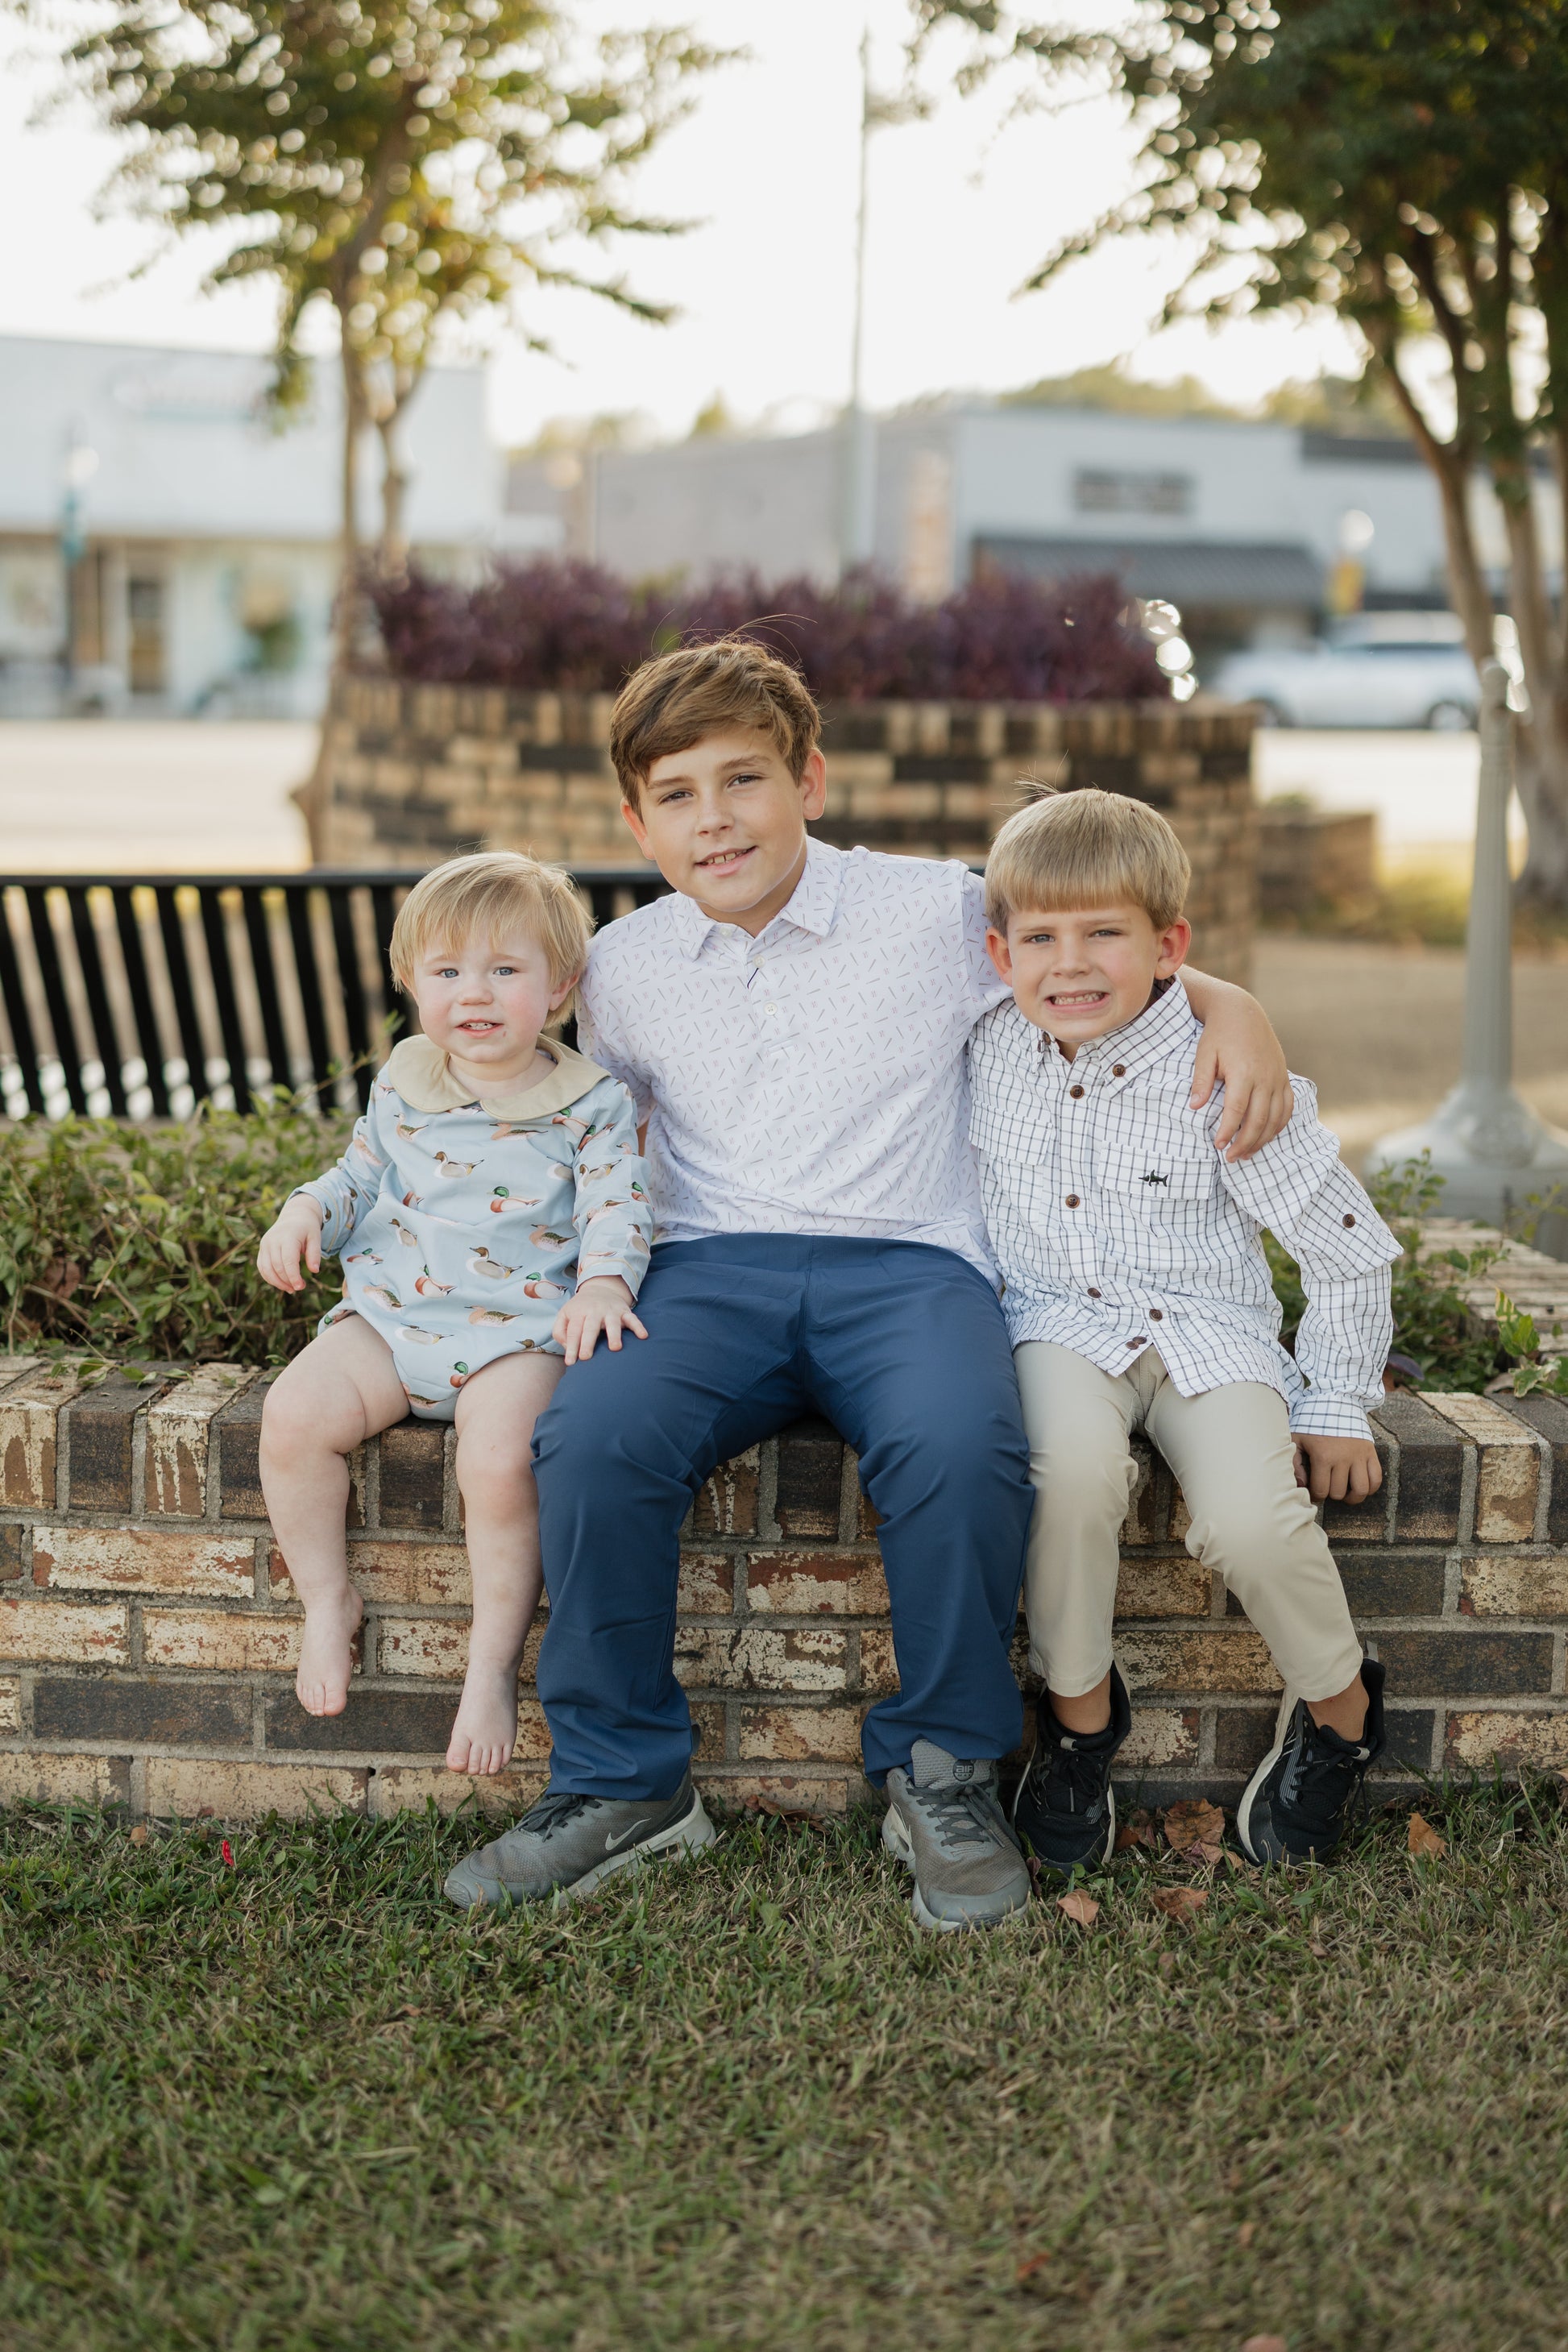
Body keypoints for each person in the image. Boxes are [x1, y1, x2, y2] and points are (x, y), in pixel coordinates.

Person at [442, 640, 1294, 1927]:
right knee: (597, 1433)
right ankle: (625, 1784)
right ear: (634, 820)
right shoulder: (622, 963)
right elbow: (539, 1094)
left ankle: (941, 1769)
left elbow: (1081, 949)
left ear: (810, 782)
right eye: (676, 793)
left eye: (744, 779)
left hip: (908, 1265)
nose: (713, 817)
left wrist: (1228, 1000)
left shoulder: (936, 911)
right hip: (704, 1267)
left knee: (960, 1441)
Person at [971, 786, 1396, 1873]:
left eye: (1104, 934)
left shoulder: (1226, 1074)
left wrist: (1336, 1399)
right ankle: (1076, 1726)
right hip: (1055, 1323)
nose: (1069, 965)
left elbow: (1344, 1245)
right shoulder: (982, 1044)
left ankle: (1342, 1712)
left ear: (1168, 945)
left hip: (1211, 1333)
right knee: (1064, 1475)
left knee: (1251, 1521)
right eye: (1041, 938)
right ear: (997, 950)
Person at [256, 852, 653, 1780]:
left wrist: (604, 1284)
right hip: (394, 1321)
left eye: (503, 971)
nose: (472, 994)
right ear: (411, 984)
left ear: (558, 988)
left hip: (516, 1335)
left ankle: (490, 1663)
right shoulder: (405, 1079)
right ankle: (326, 1602)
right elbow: (359, 1174)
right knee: (292, 1419)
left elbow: (616, 1208)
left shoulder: (588, 1102)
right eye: (446, 972)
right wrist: (306, 1211)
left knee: (500, 1461)